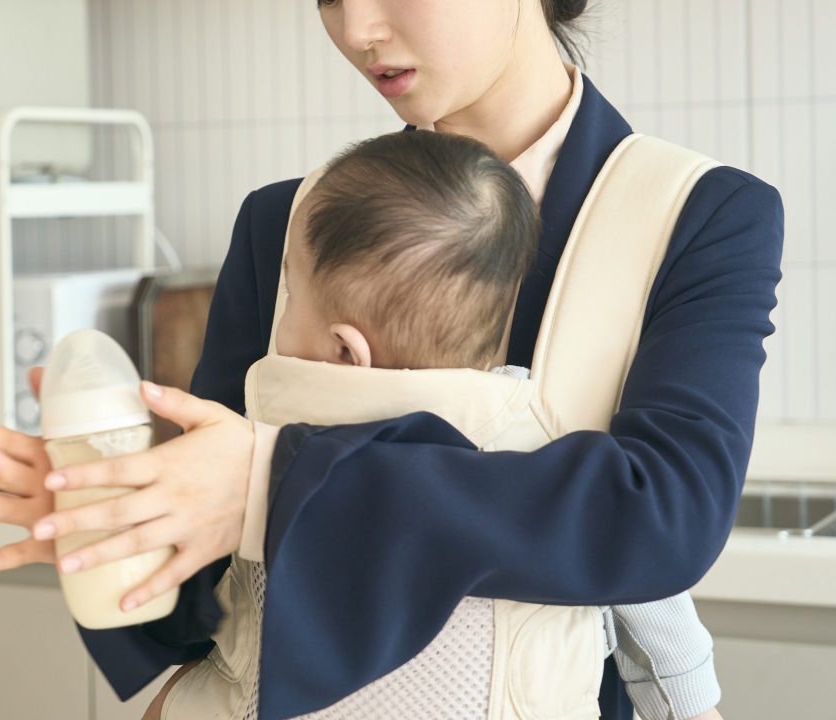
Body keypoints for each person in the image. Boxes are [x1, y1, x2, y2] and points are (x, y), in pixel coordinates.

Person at [0, 0, 783, 717]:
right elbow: (202, 615)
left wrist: (268, 483)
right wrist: (118, 513)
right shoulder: (286, 223)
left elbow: (659, 519)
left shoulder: (700, 214)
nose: (359, 28)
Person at [142, 129, 722, 720]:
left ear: (347, 351)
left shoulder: (252, 460)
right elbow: (656, 616)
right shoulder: (552, 456)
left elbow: (222, 645)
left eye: (290, 296)